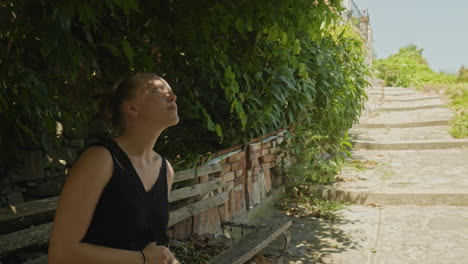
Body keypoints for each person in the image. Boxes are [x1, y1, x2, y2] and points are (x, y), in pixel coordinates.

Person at [48, 73, 181, 264]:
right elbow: (61, 254)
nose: (172, 97)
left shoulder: (165, 169)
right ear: (132, 108)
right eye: (157, 91)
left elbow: (154, 247)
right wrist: (141, 259)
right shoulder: (100, 160)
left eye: (171, 92)